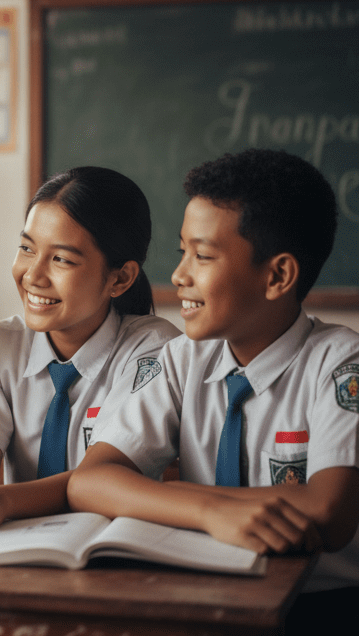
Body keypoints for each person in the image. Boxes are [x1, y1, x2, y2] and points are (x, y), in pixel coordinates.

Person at [69, 150, 359, 631]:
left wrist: (173, 494)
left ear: (277, 276)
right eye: (182, 251)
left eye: (202, 256)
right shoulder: (182, 359)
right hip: (203, 593)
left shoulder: (340, 362)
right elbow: (90, 481)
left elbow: (329, 512)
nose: (179, 275)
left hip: (321, 607)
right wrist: (208, 510)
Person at [0, 166, 179, 535]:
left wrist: (1, 501)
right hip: (19, 543)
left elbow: (96, 480)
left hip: (112, 545)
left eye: (62, 259)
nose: (33, 275)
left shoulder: (154, 351)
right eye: (27, 248)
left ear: (120, 278)